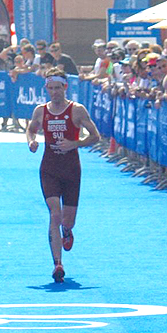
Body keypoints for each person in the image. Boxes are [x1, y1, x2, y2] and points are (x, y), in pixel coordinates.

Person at [25, 68, 101, 282]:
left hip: (71, 169)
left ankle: (67, 231)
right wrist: (31, 141)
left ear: (65, 88)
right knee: (54, 214)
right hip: (49, 168)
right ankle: (57, 263)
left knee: (68, 220)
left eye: (58, 88)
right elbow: (31, 129)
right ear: (46, 89)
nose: (55, 92)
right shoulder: (41, 111)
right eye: (51, 88)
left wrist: (75, 143)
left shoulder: (76, 110)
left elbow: (95, 136)